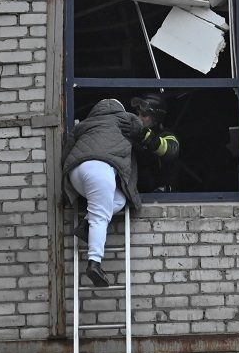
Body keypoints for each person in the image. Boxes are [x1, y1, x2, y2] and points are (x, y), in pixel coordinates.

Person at [62, 98, 143, 287]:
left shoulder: (84, 124)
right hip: (100, 169)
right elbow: (140, 137)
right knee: (101, 216)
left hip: (76, 174)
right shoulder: (128, 119)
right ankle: (94, 263)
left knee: (118, 200)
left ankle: (86, 225)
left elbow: (66, 152)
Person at [130, 93, 181, 193]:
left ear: (156, 118)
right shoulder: (134, 135)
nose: (139, 118)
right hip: (136, 194)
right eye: (138, 114)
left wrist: (148, 137)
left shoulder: (167, 135)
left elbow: (171, 150)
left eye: (144, 115)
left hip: (160, 196)